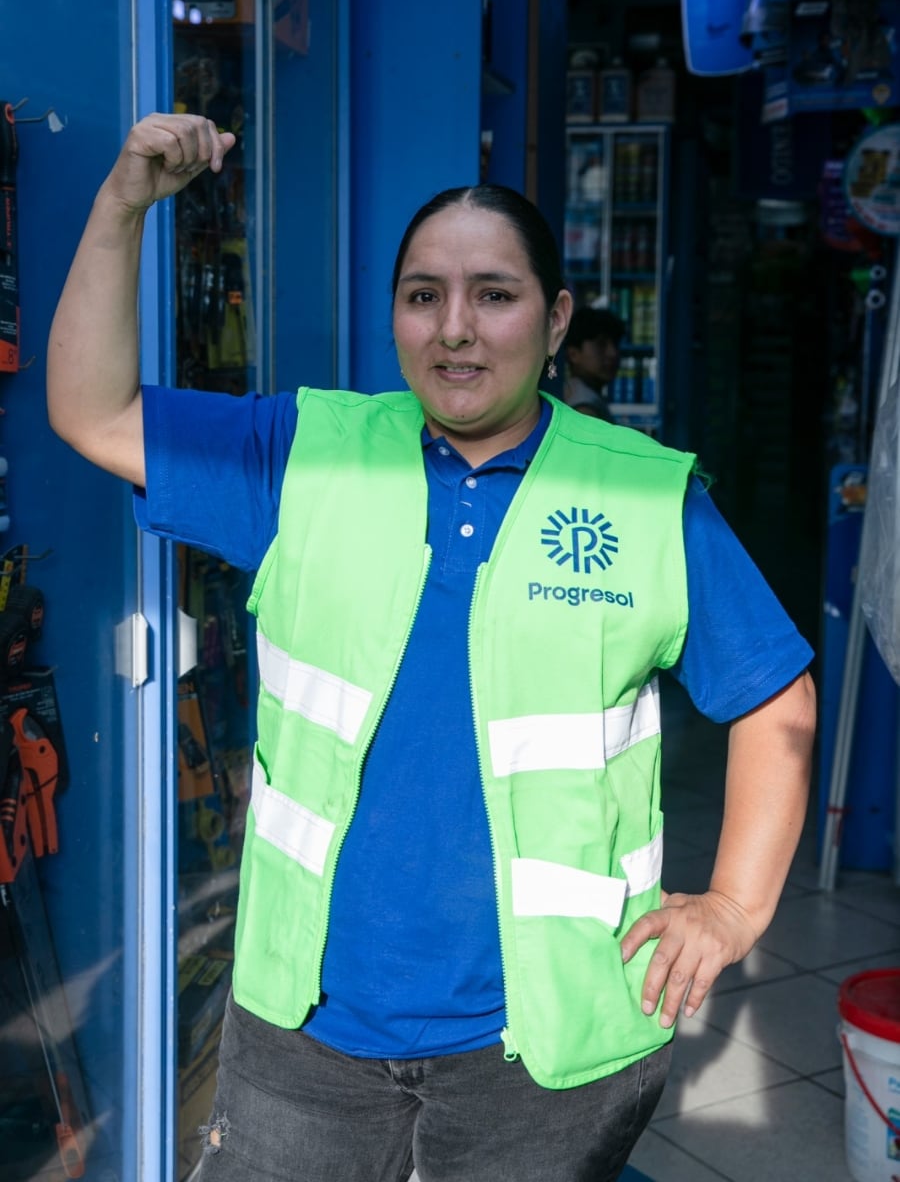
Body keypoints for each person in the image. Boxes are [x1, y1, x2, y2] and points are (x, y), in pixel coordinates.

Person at [47, 114, 816, 1182]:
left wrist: (734, 908)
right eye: (424, 296)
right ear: (398, 316)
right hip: (310, 1027)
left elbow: (775, 699)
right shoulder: (304, 457)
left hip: (542, 1044)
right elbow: (93, 411)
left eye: (494, 295)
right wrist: (122, 204)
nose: (456, 330)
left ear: (555, 323)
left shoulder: (641, 497)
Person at [563, 306, 626, 421]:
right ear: (574, 354)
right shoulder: (584, 408)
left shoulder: (583, 395)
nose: (613, 353)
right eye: (601, 344)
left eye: (615, 344)